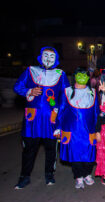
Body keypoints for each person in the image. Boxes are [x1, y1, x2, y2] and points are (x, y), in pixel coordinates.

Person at [14, 47, 70, 189]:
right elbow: (17, 86)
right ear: (40, 56)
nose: (48, 59)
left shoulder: (61, 74)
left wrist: (62, 116)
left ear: (56, 59)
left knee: (51, 148)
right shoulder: (30, 70)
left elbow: (65, 96)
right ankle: (24, 177)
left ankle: (49, 174)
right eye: (46, 55)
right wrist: (29, 91)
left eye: (52, 56)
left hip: (52, 119)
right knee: (29, 149)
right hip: (32, 119)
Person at [55, 67, 99, 189]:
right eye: (79, 75)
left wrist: (98, 129)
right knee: (75, 154)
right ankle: (78, 177)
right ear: (75, 76)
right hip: (72, 130)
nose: (82, 77)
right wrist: (58, 127)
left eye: (85, 75)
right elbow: (61, 111)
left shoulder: (93, 92)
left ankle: (87, 174)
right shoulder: (67, 91)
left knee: (89, 154)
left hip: (89, 130)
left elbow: (96, 112)